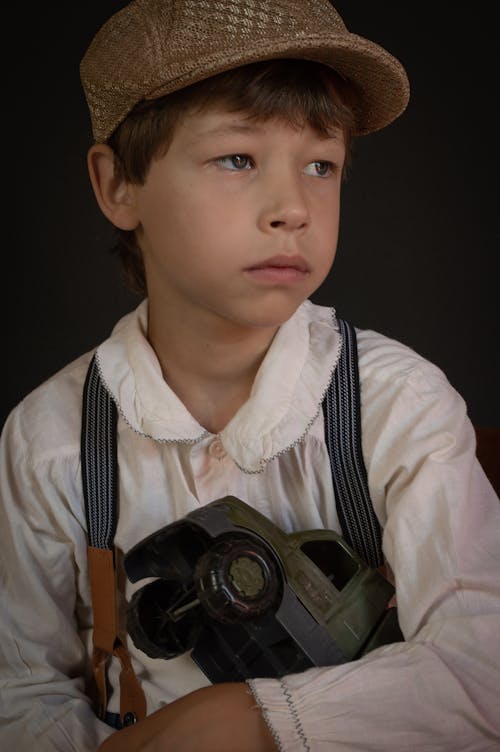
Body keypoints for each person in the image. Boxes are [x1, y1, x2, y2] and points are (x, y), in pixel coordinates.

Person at [1, 0, 499, 750]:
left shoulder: (397, 404)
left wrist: (239, 719)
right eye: (238, 158)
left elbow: (481, 672)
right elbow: (23, 692)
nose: (293, 207)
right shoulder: (49, 440)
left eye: (320, 165)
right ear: (117, 186)